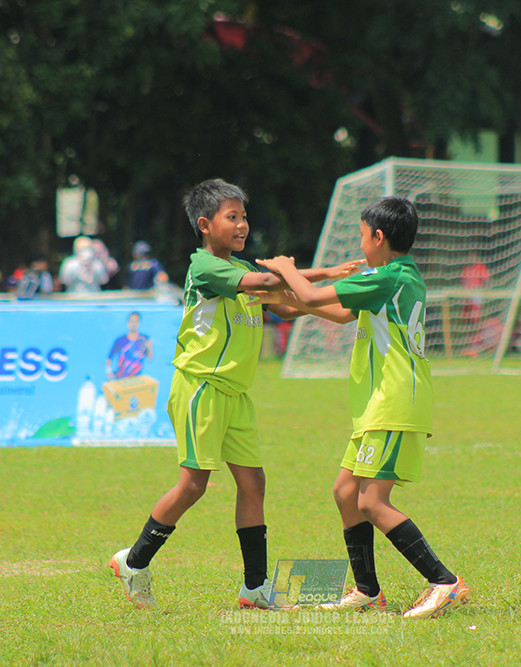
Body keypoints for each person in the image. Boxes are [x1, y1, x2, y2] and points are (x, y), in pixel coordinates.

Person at [108, 178, 363, 611]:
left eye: (244, 216)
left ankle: (255, 588)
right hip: (201, 388)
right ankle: (133, 562)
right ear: (205, 225)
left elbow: (283, 300)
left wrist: (336, 295)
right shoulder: (205, 267)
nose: (242, 224)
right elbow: (268, 283)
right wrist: (310, 274)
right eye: (233, 217)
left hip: (235, 395)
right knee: (193, 485)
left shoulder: (243, 269)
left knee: (253, 482)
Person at [255, 196, 469, 620]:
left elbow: (314, 297)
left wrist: (285, 269)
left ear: (378, 237)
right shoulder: (395, 277)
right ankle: (368, 591)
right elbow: (332, 312)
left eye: (360, 235)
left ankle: (445, 582)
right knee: (345, 492)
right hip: (379, 403)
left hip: (395, 401)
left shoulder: (387, 277)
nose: (360, 242)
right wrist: (278, 300)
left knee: (372, 502)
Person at [106, 311, 152, 380]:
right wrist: (109, 372)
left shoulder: (144, 339)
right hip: (121, 378)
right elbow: (109, 358)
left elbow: (149, 358)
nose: (133, 324)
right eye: (131, 321)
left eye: (136, 321)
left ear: (139, 323)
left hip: (137, 378)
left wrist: (149, 347)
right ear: (128, 323)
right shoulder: (120, 340)